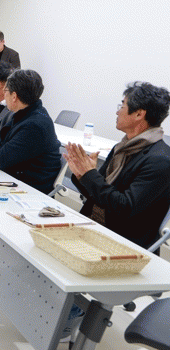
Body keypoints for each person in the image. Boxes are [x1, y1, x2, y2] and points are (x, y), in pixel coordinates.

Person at [65, 82, 170, 249]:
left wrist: (90, 175)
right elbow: (98, 197)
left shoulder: (160, 160)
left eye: (122, 106)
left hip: (122, 243)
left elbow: (124, 208)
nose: (117, 112)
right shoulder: (122, 147)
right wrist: (81, 175)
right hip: (94, 226)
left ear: (139, 114)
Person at [0, 69, 61, 193]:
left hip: (28, 189)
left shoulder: (34, 124)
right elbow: (4, 148)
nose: (4, 95)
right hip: (13, 178)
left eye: (6, 91)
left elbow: (2, 159)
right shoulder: (26, 114)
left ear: (14, 96)